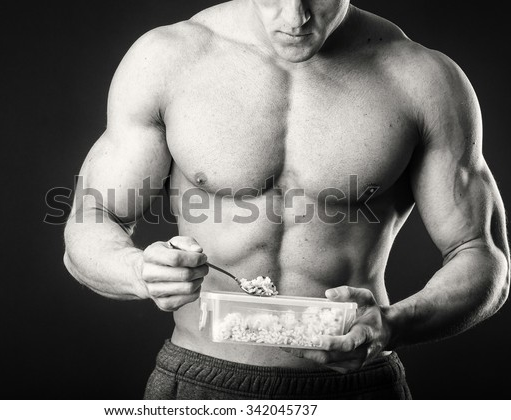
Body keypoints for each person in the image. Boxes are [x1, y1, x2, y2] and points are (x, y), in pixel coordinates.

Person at [63, 0, 509, 399]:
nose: (295, 17)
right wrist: (138, 271)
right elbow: (92, 218)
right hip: (201, 384)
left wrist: (394, 324)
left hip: (358, 388)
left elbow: (482, 255)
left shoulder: (424, 80)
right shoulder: (168, 60)